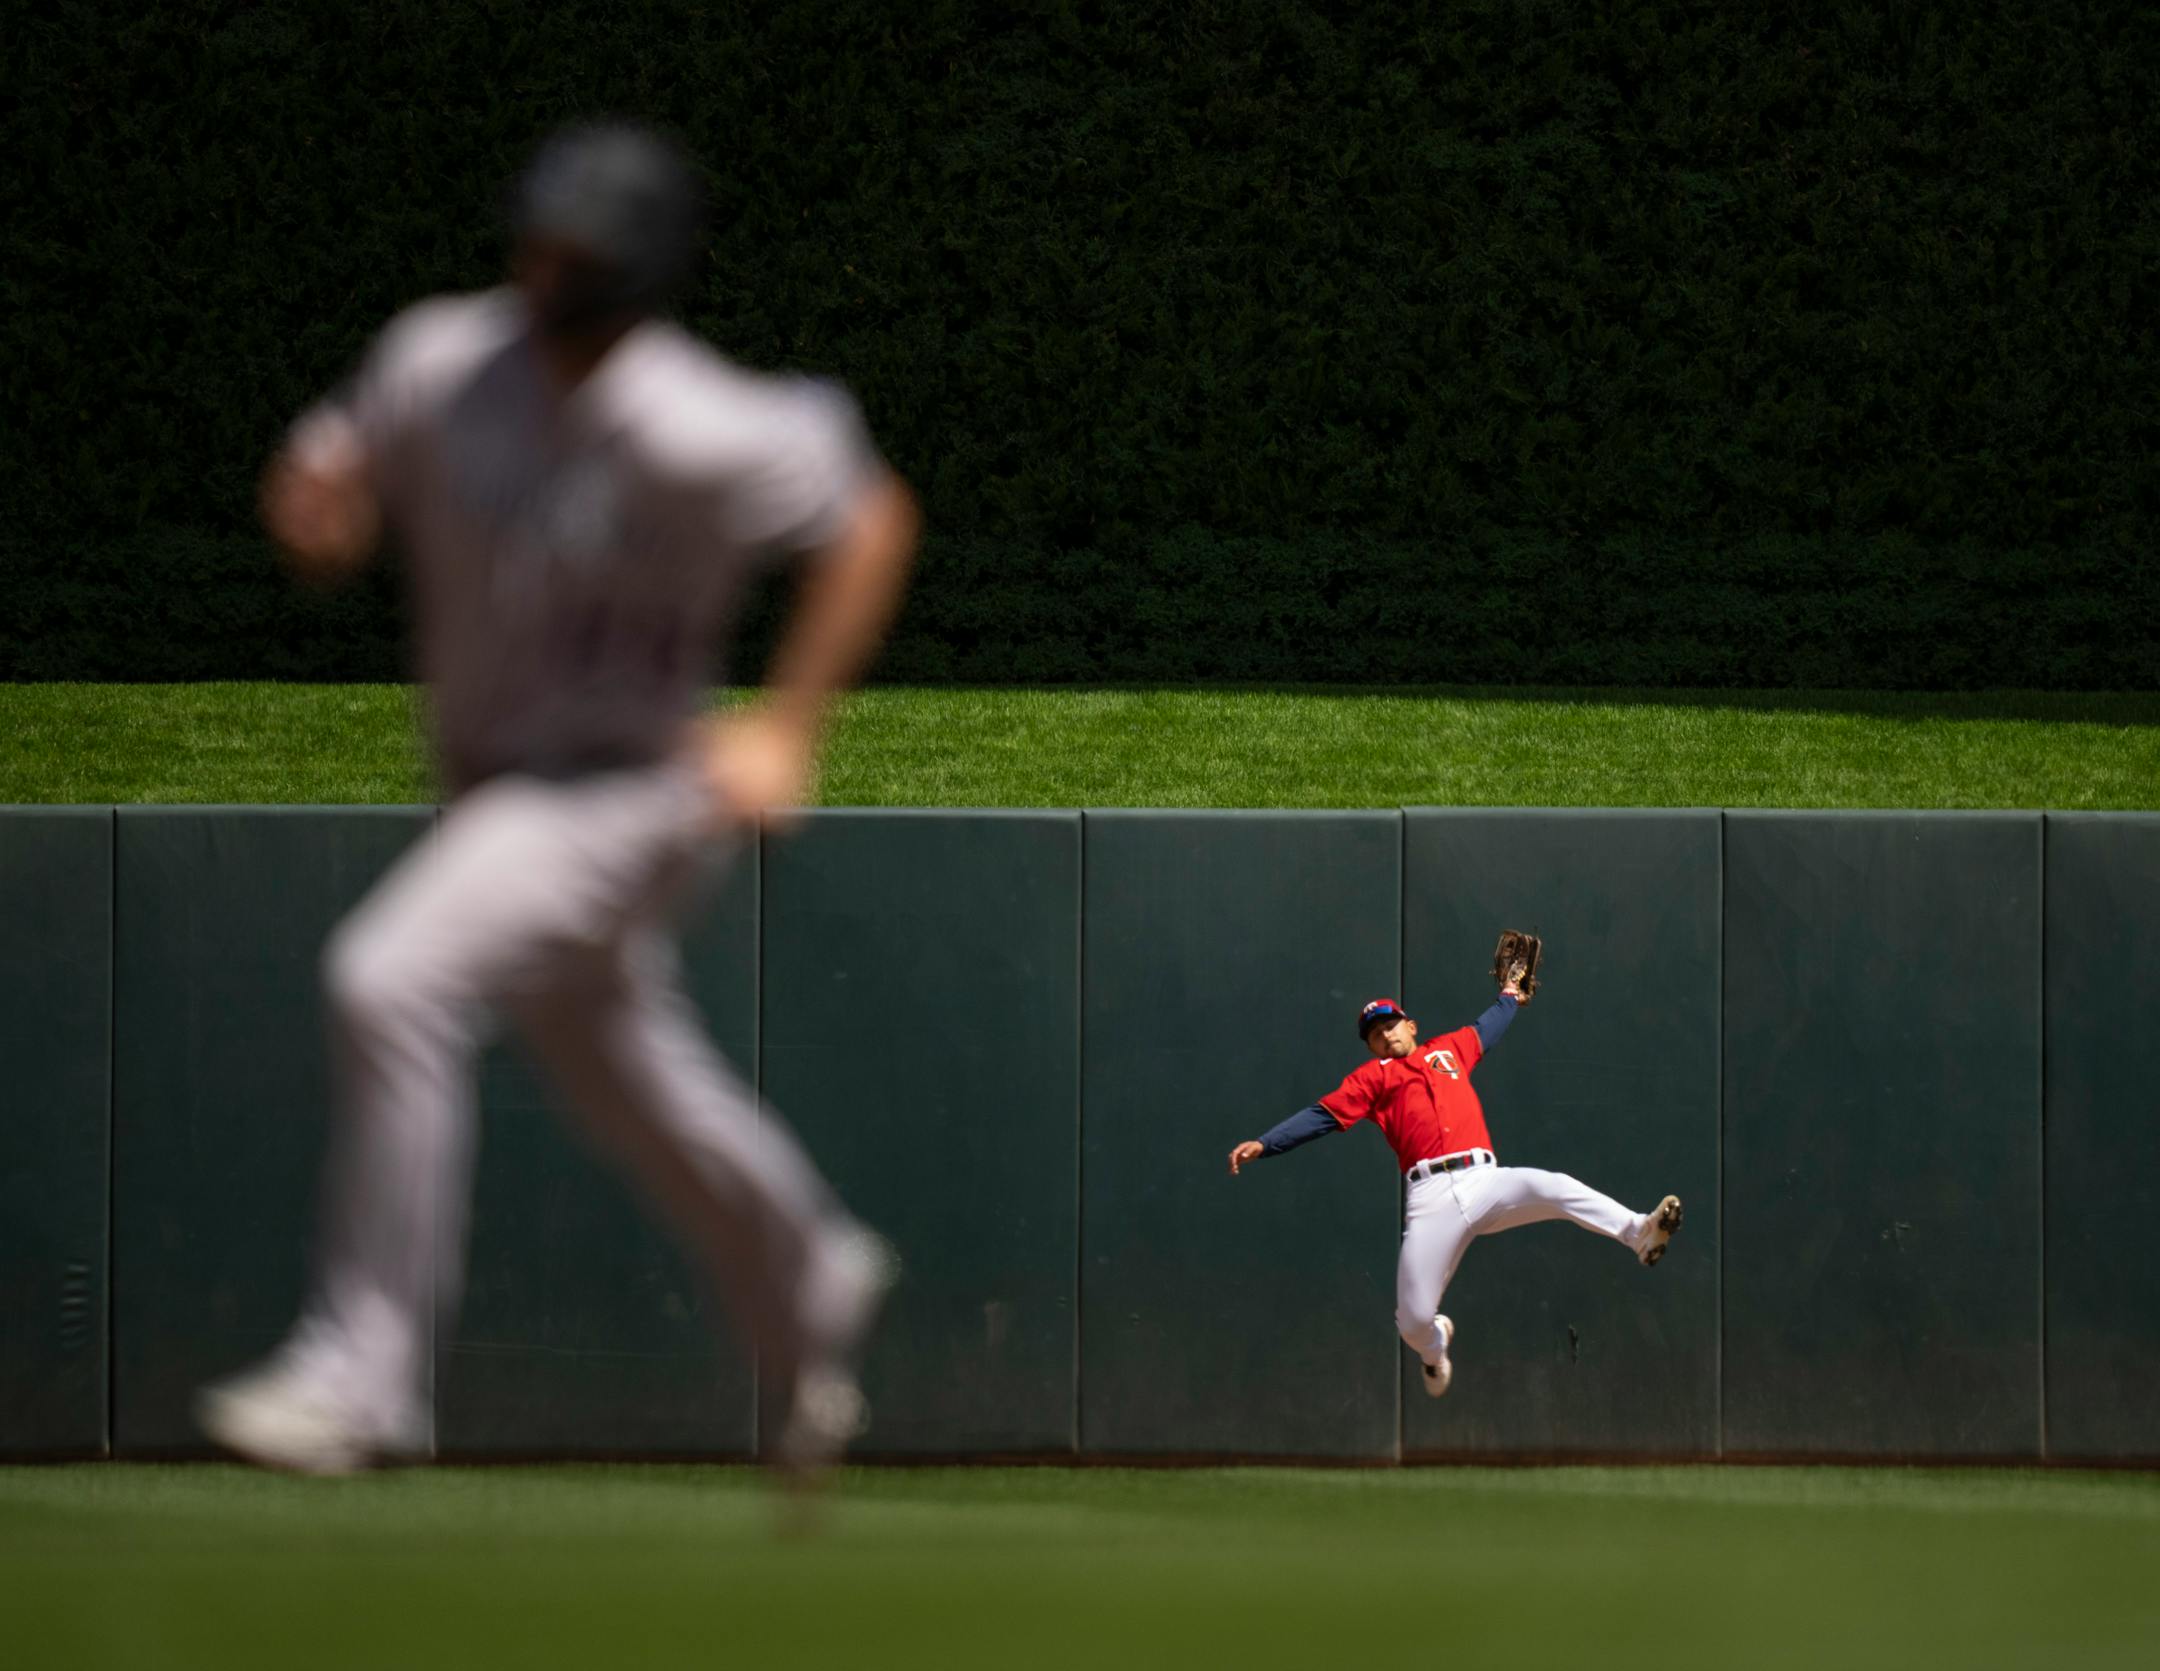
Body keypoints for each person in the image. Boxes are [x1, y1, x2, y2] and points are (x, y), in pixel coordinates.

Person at [197, 122, 921, 1482]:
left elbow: (872, 521)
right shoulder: (440, 359)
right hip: (493, 790)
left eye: (574, 249)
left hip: (624, 789)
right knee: (620, 1072)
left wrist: (788, 723)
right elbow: (338, 476)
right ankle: (805, 1263)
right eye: (535, 235)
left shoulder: (702, 420)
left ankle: (362, 1375)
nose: (542, 265)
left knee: (388, 978)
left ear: (632, 270)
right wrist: (323, 508)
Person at [1226, 970, 1682, 1398]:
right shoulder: (1372, 1079)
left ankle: (1640, 1233)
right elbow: (1321, 1116)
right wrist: (1266, 1144)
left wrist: (1510, 995)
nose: (1385, 1034)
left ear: (1410, 1025)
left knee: (1554, 1186)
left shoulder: (1449, 1050)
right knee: (1414, 1320)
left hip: (1484, 1180)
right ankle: (1434, 1348)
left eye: (1390, 1024)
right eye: (1374, 1032)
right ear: (1371, 1047)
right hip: (1431, 1199)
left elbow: (1489, 1025)